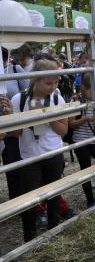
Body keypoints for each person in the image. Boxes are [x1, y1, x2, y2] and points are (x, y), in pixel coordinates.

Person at [10, 54, 68, 242]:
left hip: (53, 154)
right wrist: (13, 117)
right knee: (29, 200)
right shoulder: (19, 100)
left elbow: (63, 131)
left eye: (55, 83)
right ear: (35, 80)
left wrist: (47, 116)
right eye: (48, 83)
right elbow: (16, 134)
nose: (53, 87)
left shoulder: (57, 100)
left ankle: (54, 233)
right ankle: (30, 237)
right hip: (30, 157)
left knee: (53, 197)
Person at [68, 74, 95, 208]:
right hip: (81, 141)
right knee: (85, 169)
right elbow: (71, 123)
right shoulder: (76, 100)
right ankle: (90, 199)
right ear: (83, 88)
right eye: (90, 90)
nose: (93, 93)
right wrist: (85, 119)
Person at [2, 46, 30, 201]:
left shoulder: (15, 69)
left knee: (19, 164)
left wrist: (12, 112)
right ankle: (15, 200)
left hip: (15, 127)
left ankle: (27, 201)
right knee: (9, 168)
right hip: (1, 129)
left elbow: (27, 96)